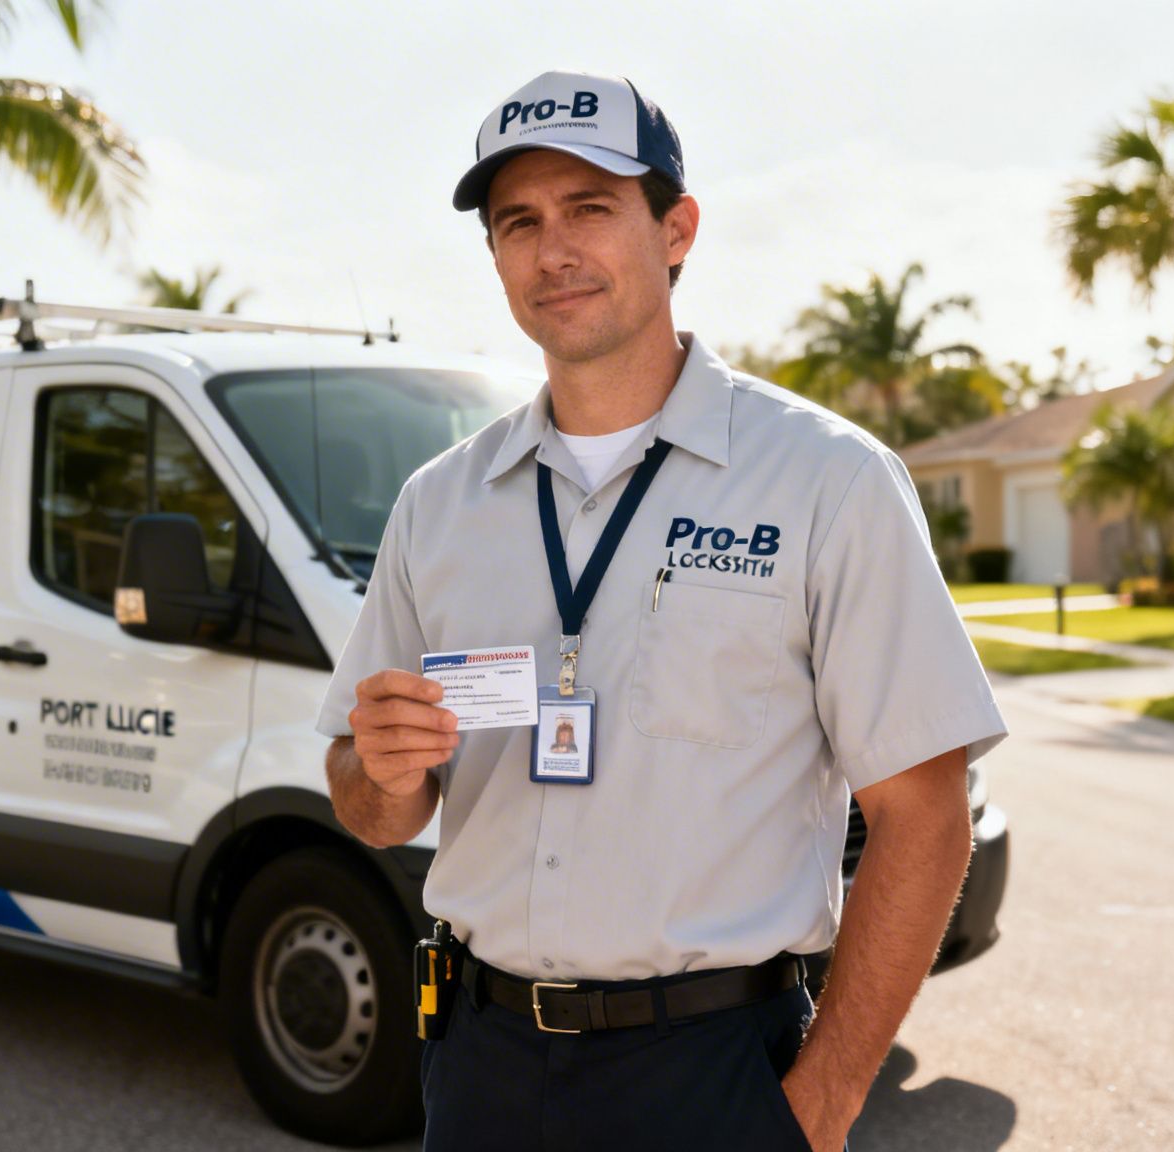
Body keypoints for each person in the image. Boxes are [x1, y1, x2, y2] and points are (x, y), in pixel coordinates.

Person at [317, 69, 1009, 1152]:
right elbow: (371, 807)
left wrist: (818, 1107)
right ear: (494, 257)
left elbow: (925, 815)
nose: (553, 251)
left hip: (713, 1074)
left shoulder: (824, 480)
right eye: (518, 223)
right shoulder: (437, 504)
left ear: (674, 229)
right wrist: (381, 769)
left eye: (590, 209)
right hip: (479, 1061)